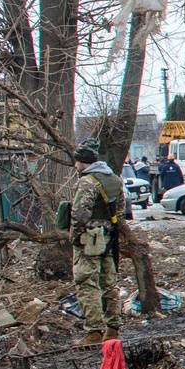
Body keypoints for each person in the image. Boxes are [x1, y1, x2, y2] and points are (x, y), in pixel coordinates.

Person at [66, 144, 125, 346]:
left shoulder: (87, 182)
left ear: (83, 162)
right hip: (109, 237)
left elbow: (80, 213)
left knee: (87, 282)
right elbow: (121, 210)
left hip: (89, 239)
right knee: (109, 282)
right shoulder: (115, 179)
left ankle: (94, 331)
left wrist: (74, 236)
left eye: (77, 161)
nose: (75, 164)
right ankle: (113, 328)